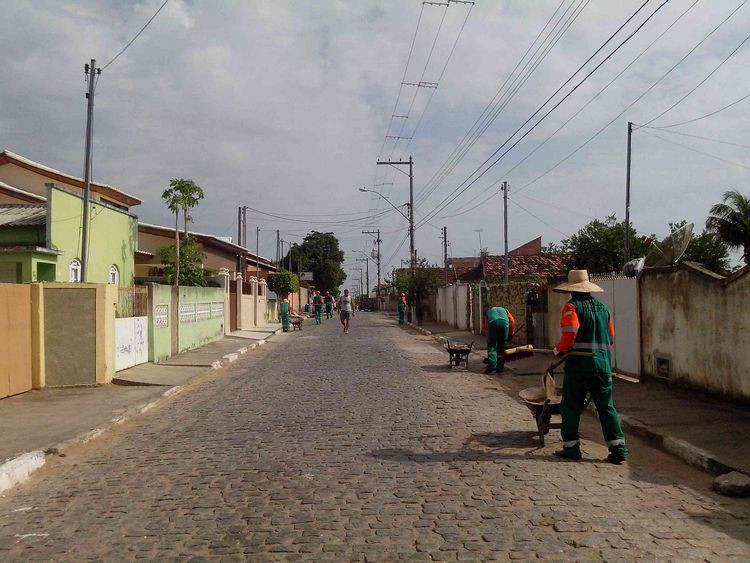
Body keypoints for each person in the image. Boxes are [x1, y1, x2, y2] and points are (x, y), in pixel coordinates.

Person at [552, 269, 628, 464]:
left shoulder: (572, 307)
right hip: (603, 365)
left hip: (579, 365)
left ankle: (571, 448)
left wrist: (558, 350)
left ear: (572, 290)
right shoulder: (603, 308)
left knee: (570, 405)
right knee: (606, 406)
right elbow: (610, 338)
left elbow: (570, 335)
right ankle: (618, 450)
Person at [485, 306, 516, 374]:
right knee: (502, 346)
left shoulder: (489, 312)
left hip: (493, 323)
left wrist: (489, 336)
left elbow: (486, 326)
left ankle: (492, 365)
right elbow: (512, 321)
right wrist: (510, 334)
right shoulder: (505, 310)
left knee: (491, 346)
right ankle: (500, 367)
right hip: (505, 324)